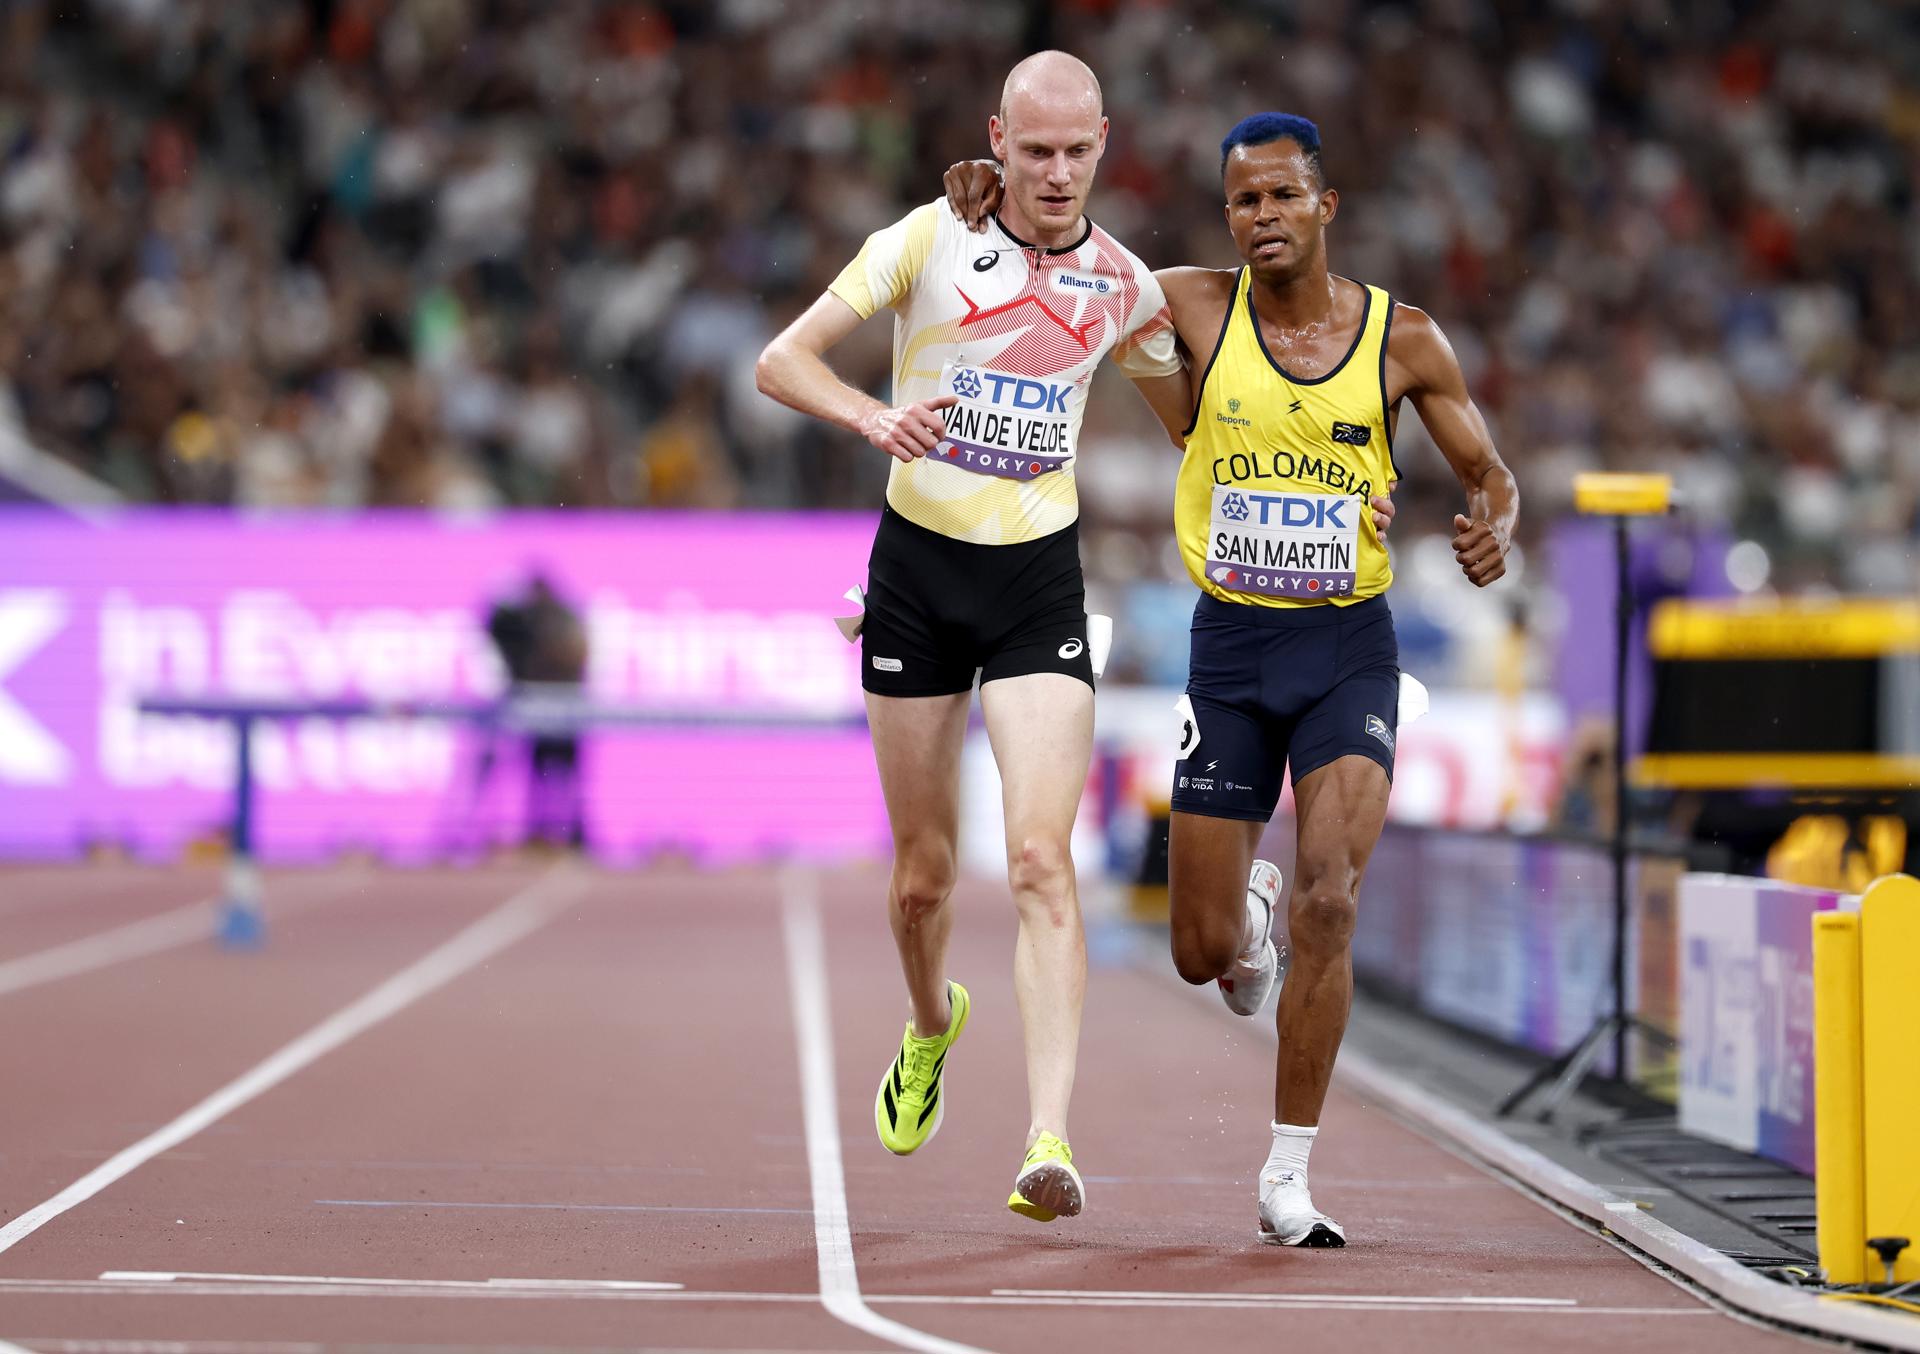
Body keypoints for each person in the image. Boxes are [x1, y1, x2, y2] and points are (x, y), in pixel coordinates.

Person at [944, 112, 1517, 1247]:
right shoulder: (1190, 305)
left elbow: (1489, 474)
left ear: (1324, 206)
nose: (1261, 218)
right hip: (1234, 648)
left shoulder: (1406, 341)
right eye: (1242, 201)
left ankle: (1287, 1172)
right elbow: (1065, 263)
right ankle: (1247, 920)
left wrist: (1488, 526)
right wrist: (988, 196)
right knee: (1202, 950)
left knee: (1332, 900)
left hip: (1349, 641)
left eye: (1281, 197)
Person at [754, 51, 1197, 1224]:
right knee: (922, 880)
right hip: (915, 573)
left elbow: (1202, 425)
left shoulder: (1123, 283)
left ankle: (1048, 1138)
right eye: (1034, 151)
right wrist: (874, 415)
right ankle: (931, 1020)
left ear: (1106, 144)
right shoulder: (926, 239)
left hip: (1037, 583)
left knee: (1044, 859)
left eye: (1077, 152)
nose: (1056, 174)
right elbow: (780, 360)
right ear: (997, 140)